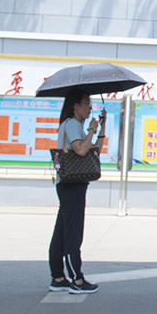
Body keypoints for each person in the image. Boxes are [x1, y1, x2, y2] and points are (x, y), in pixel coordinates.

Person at [48, 87, 103, 294]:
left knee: (62, 230)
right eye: (87, 103)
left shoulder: (74, 125)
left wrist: (99, 128)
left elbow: (94, 149)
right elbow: (80, 150)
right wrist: (91, 130)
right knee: (73, 231)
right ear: (76, 106)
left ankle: (58, 276)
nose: (90, 107)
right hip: (72, 184)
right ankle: (77, 279)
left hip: (69, 183)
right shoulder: (72, 124)